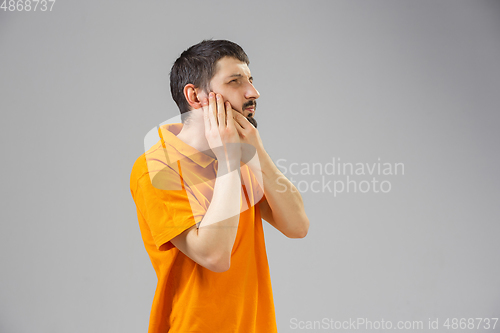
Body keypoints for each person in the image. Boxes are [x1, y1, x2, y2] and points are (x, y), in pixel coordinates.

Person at [130, 39, 309, 332]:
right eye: (235, 81)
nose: (254, 92)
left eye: (250, 80)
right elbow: (214, 256)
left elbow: (297, 226)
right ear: (196, 95)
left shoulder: (241, 158)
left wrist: (257, 152)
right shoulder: (157, 165)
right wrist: (228, 161)